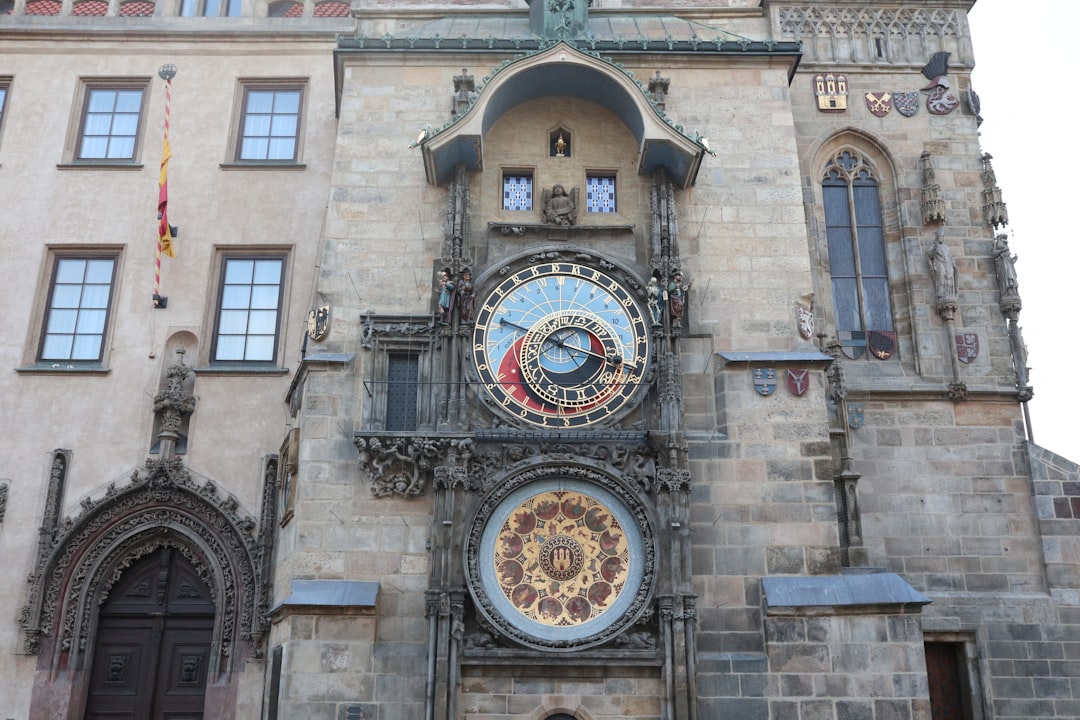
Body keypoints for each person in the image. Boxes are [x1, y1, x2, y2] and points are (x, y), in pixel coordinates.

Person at [927, 230, 957, 302]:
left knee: (949, 276)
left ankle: (949, 292)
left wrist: (953, 263)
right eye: (939, 236)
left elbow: (950, 256)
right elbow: (930, 255)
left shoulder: (946, 247)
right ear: (937, 237)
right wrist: (934, 248)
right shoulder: (934, 246)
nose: (940, 238)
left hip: (948, 263)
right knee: (941, 275)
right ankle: (941, 292)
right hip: (939, 263)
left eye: (942, 237)